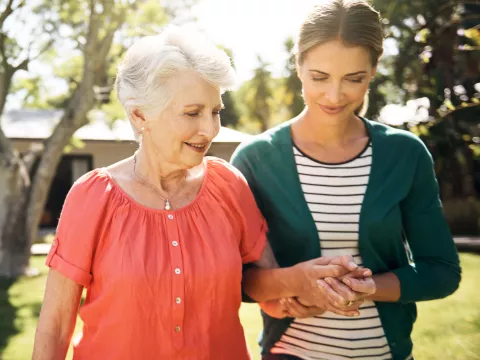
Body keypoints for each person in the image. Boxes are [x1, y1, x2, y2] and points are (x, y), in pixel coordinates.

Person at [32, 25, 373, 360]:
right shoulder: (93, 196)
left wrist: (310, 286)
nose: (209, 129)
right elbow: (56, 326)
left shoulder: (228, 185)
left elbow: (263, 287)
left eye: (215, 112)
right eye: (192, 113)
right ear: (140, 115)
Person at [231, 1, 462, 360]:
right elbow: (237, 279)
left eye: (353, 79)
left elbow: (442, 271)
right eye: (319, 77)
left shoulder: (405, 154)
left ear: (373, 70)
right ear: (299, 66)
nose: (335, 96)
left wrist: (369, 287)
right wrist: (298, 281)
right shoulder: (255, 160)